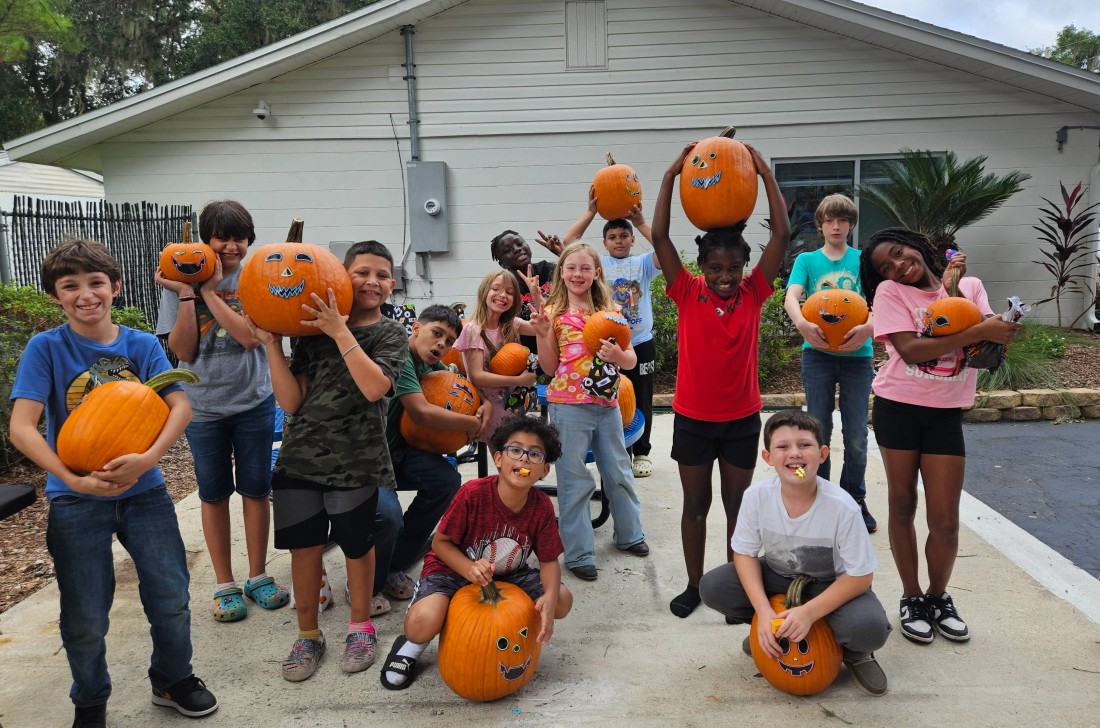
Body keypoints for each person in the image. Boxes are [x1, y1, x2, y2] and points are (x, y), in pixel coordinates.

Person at [9, 239, 218, 727]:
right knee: (84, 614)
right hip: (75, 499)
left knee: (170, 594)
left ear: (115, 287)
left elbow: (180, 406)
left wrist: (147, 457)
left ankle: (173, 677)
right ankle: (90, 697)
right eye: (71, 286)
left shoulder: (141, 346)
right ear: (56, 296)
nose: (86, 295)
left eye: (96, 283)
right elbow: (22, 426)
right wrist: (71, 480)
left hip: (144, 492)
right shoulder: (47, 348)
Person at [248, 240, 408, 681]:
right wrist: (272, 346)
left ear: (391, 285)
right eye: (361, 272)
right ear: (341, 276)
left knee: (357, 546)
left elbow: (375, 388)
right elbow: (292, 401)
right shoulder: (309, 335)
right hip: (300, 459)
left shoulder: (390, 334)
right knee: (304, 550)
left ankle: (360, 627)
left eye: (380, 275)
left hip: (357, 460)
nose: (371, 281)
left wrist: (341, 331)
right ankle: (308, 635)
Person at [859, 228, 1020, 645]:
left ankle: (937, 597)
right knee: (902, 504)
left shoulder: (969, 286)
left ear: (917, 247)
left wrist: (998, 331)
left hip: (945, 414)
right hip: (898, 407)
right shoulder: (892, 294)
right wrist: (977, 332)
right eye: (886, 267)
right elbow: (911, 350)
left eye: (899, 253)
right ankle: (911, 598)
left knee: (946, 520)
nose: (898, 266)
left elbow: (984, 356)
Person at [652, 141, 789, 618]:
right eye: (716, 269)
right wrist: (671, 177)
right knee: (695, 507)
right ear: (700, 268)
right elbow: (661, 237)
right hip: (692, 419)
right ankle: (694, 585)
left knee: (737, 511)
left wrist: (765, 175)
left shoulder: (754, 293)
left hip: (741, 420)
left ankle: (735, 590)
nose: (725, 277)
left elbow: (783, 235)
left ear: (745, 268)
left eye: (733, 268)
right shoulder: (686, 292)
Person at [155, 200, 290, 624]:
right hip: (203, 407)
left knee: (255, 489)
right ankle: (224, 583)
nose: (231, 246)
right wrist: (186, 293)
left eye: (239, 237)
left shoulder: (256, 277)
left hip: (253, 399)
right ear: (205, 239)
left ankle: (258, 575)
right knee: (213, 494)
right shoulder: (179, 277)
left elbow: (251, 338)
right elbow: (184, 350)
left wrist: (210, 292)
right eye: (222, 237)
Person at [698, 410, 891, 696]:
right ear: (767, 458)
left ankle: (853, 652)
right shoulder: (757, 496)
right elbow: (744, 554)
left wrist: (810, 613)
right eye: (783, 447)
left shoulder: (842, 506)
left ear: (822, 454)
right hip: (778, 575)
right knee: (713, 587)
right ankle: (767, 629)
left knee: (869, 628)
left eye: (804, 445)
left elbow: (860, 576)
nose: (795, 454)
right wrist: (763, 614)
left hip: (831, 584)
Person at [379, 414, 573, 690]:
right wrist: (468, 569)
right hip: (453, 569)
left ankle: (505, 636)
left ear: (544, 470)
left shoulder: (541, 506)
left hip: (510, 574)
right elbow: (440, 544)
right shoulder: (473, 494)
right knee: (420, 625)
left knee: (563, 600)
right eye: (515, 450)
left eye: (534, 455)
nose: (524, 460)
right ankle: (411, 646)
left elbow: (549, 560)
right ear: (498, 459)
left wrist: (550, 597)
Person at [529, 241, 648, 582]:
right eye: (571, 268)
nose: (577, 274)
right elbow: (550, 367)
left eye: (585, 268)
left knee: (619, 472)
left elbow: (631, 359)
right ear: (561, 273)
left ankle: (630, 535)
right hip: (569, 405)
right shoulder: (553, 313)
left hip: (608, 404)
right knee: (574, 479)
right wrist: (541, 334)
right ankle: (579, 552)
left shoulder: (611, 311)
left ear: (596, 273)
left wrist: (618, 357)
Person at [535, 188, 661, 479]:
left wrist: (641, 221)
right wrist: (590, 212)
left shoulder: (642, 263)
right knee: (611, 396)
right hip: (601, 341)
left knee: (641, 396)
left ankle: (641, 451)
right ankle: (618, 449)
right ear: (604, 243)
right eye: (612, 237)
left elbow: (663, 249)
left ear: (632, 239)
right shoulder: (597, 265)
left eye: (623, 236)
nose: (618, 241)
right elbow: (569, 247)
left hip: (638, 341)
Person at [375, 304, 493, 607]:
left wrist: (485, 405)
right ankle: (368, 584)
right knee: (389, 516)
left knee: (446, 481)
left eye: (449, 340)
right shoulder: (400, 357)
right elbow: (422, 412)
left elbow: (458, 386)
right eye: (436, 334)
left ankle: (394, 564)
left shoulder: (430, 364)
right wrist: (471, 424)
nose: (442, 344)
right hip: (371, 456)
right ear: (416, 328)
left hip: (402, 450)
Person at [783, 194, 877, 533]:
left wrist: (869, 326)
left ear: (850, 224)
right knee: (818, 429)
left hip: (858, 357)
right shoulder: (808, 261)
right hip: (818, 356)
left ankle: (854, 499)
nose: (836, 226)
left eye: (842, 220)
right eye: (829, 220)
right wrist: (802, 325)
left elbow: (885, 301)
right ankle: (819, 499)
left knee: (856, 434)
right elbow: (791, 296)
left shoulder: (865, 260)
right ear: (820, 224)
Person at [453, 269, 538, 438]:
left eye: (509, 292)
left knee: (514, 453)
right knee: (508, 454)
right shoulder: (473, 330)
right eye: (496, 289)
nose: (502, 295)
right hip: (487, 405)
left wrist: (536, 295)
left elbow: (544, 327)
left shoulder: (511, 324)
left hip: (512, 403)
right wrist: (519, 380)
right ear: (485, 291)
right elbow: (477, 376)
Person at [490, 230, 555, 359]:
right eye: (508, 250)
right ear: (502, 264)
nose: (516, 249)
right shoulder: (504, 289)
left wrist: (560, 252)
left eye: (519, 243)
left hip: (562, 342)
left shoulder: (549, 270)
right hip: (530, 356)